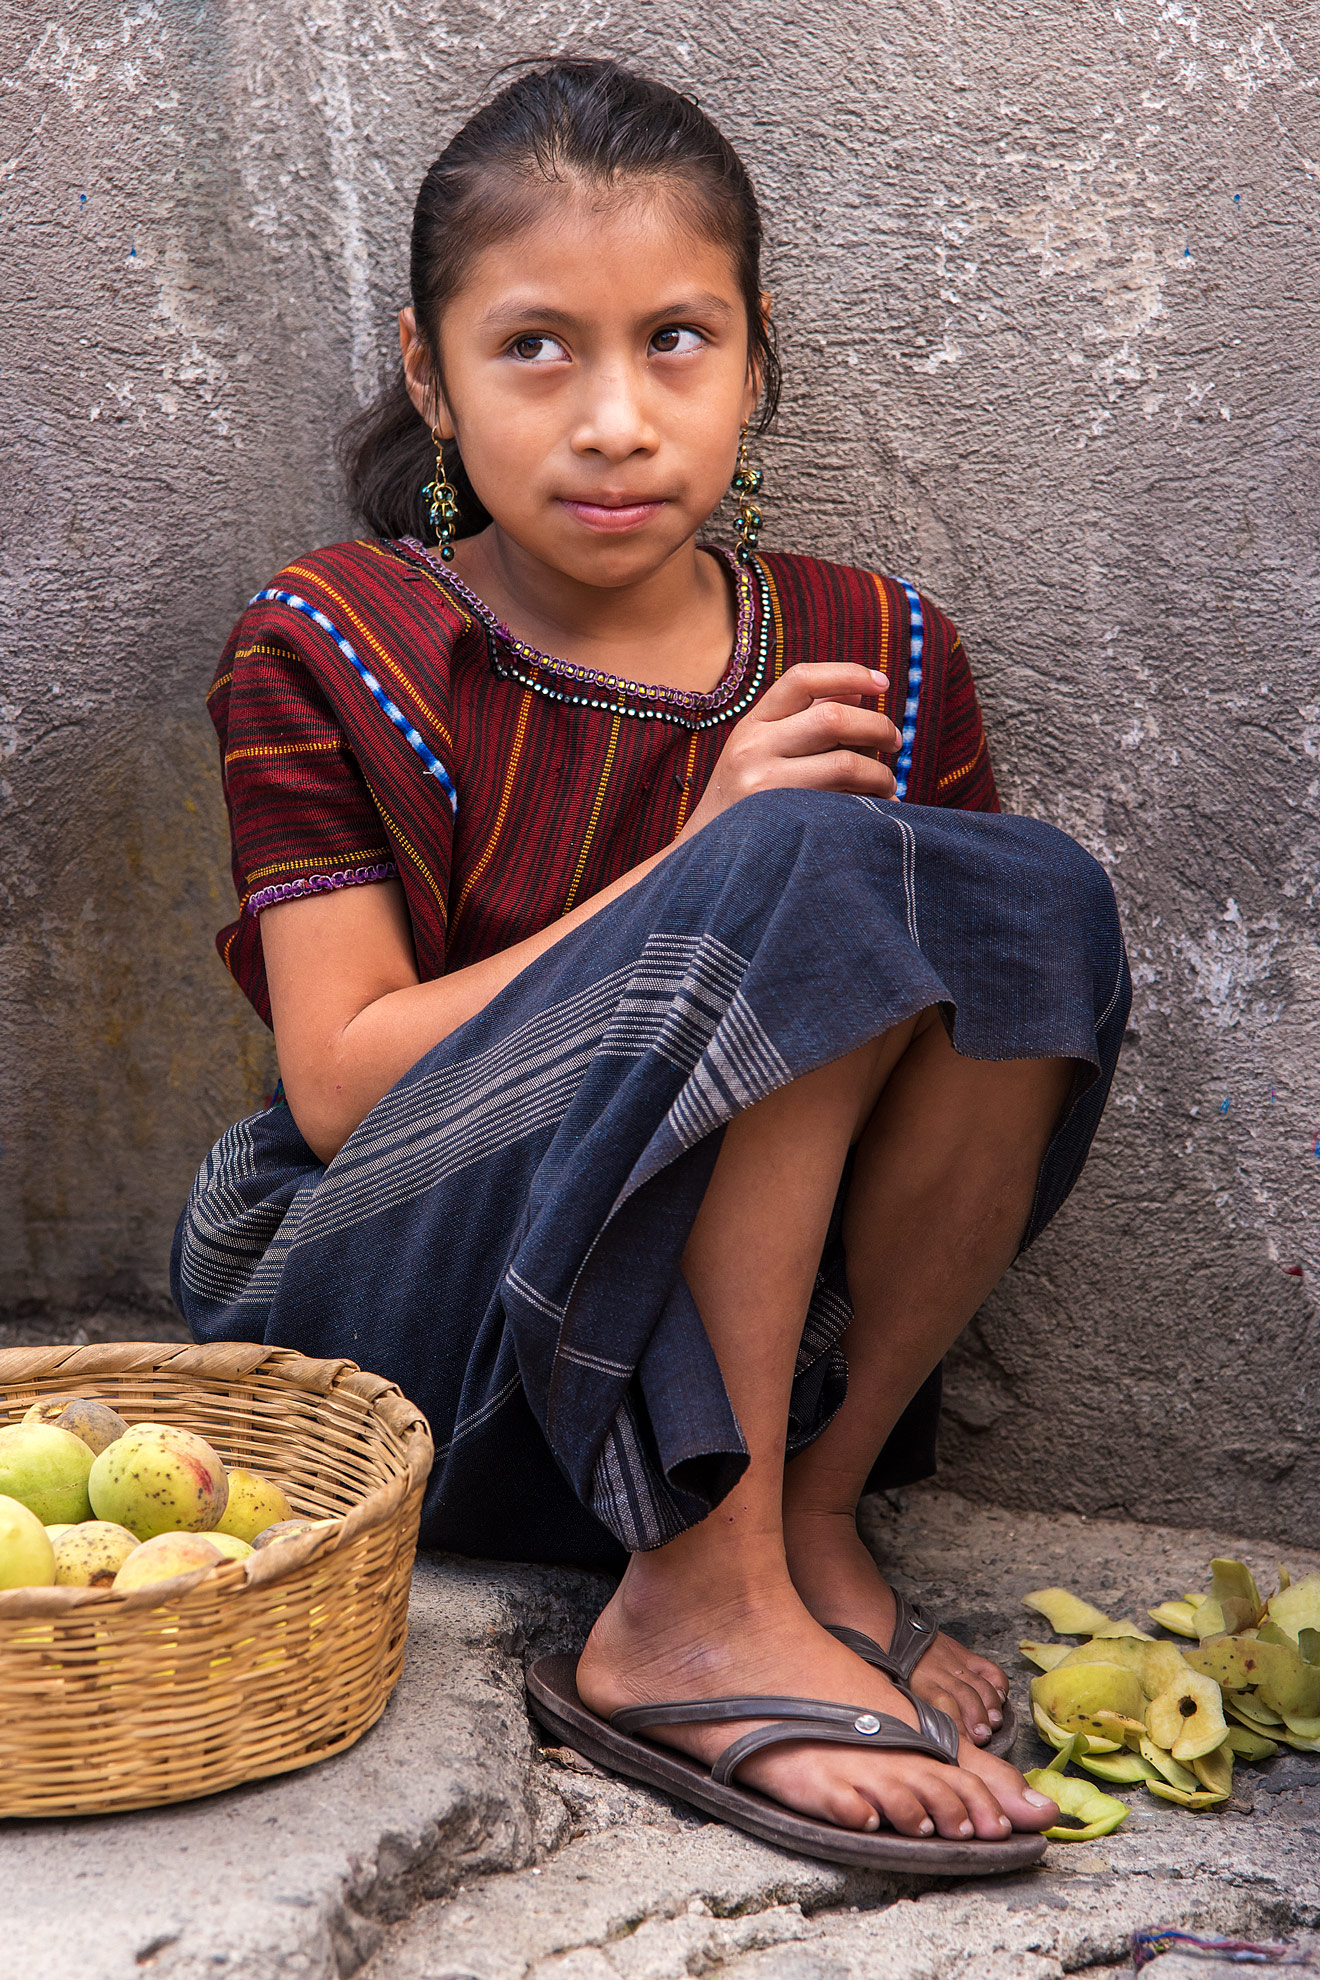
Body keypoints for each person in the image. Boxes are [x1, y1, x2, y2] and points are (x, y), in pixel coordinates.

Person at [175, 58, 1129, 1872]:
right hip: (407, 1327)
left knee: (1035, 900)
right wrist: (698, 864)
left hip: (746, 1355)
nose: (615, 420)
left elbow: (925, 1057)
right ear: (429, 374)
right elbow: (343, 1086)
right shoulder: (334, 637)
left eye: (676, 341)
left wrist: (765, 868)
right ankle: (692, 1598)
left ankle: (803, 1526)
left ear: (753, 363)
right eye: (535, 347)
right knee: (794, 864)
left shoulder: (878, 651)